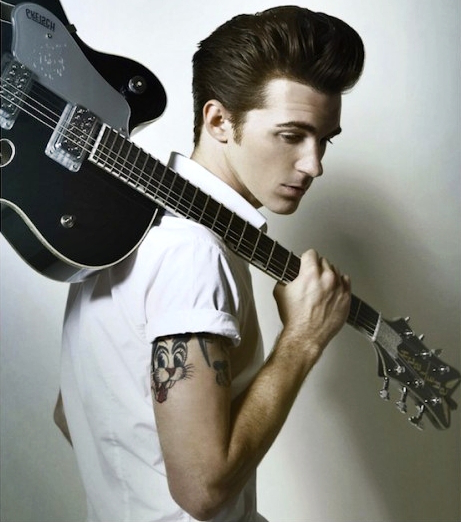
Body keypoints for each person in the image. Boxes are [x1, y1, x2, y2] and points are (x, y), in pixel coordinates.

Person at [55, 5, 364, 521]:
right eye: (292, 135)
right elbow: (203, 491)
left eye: (323, 140)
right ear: (219, 120)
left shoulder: (126, 225)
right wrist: (303, 339)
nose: (314, 165)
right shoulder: (193, 253)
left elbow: (74, 412)